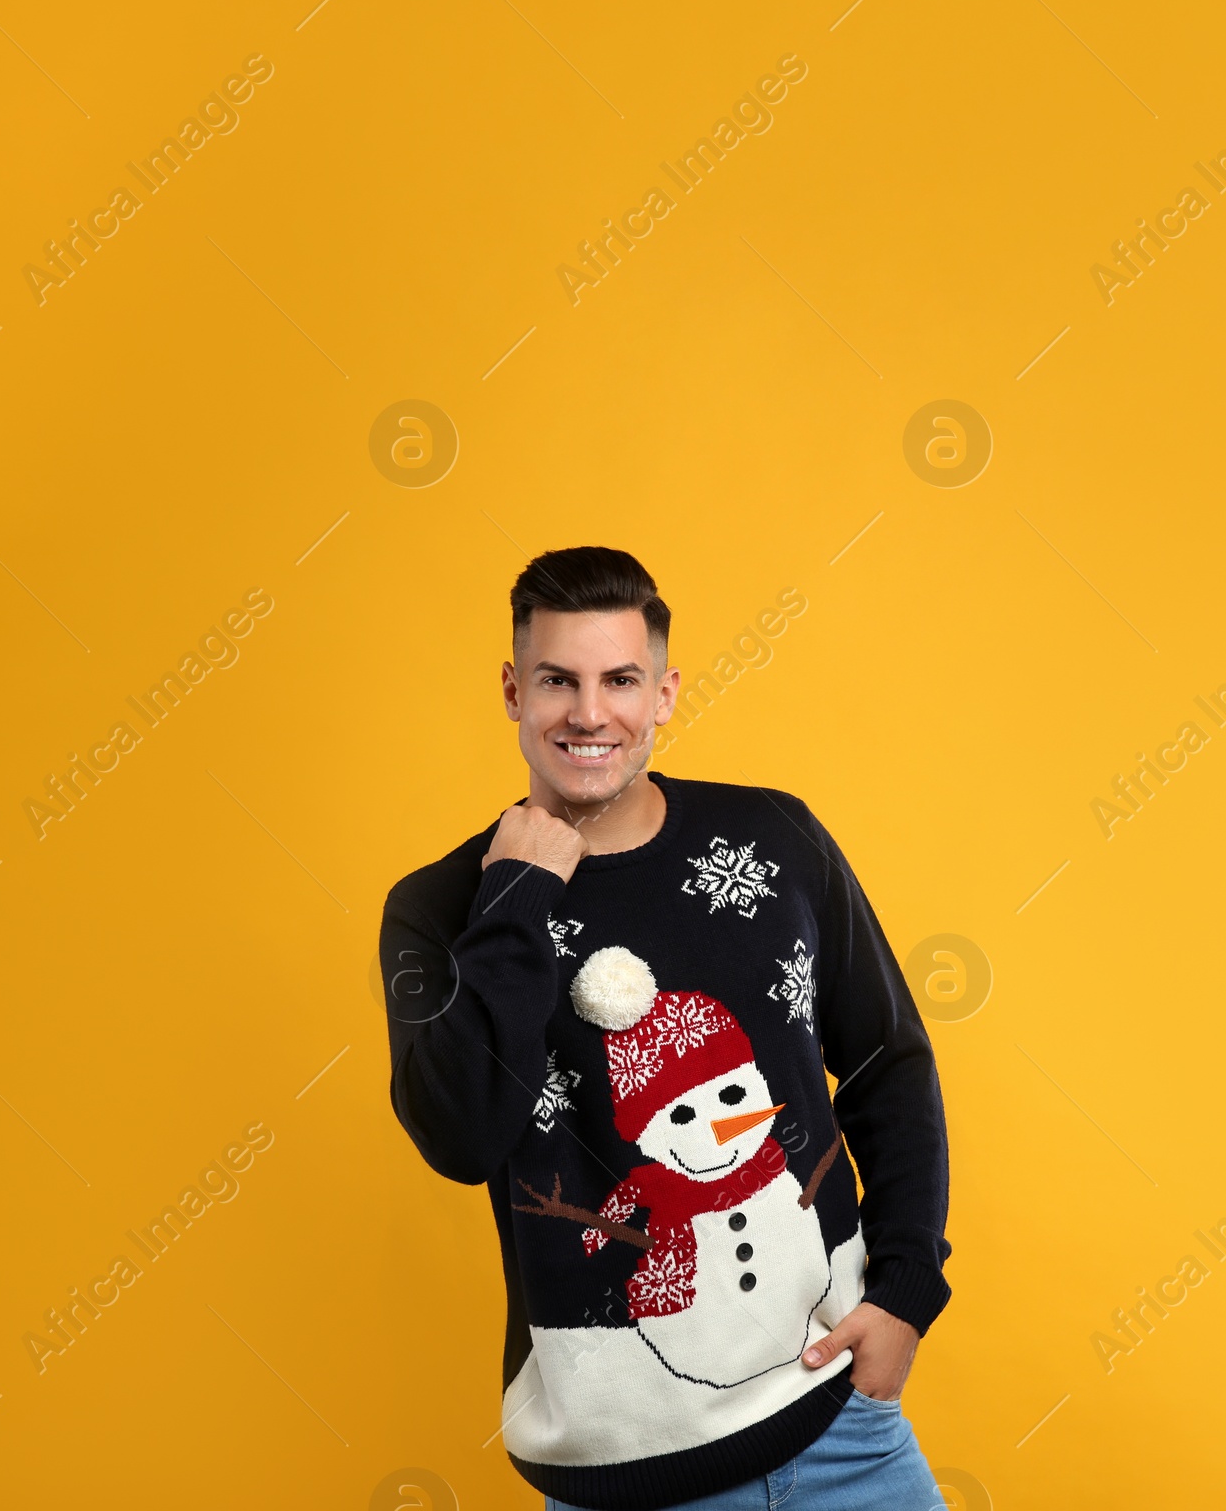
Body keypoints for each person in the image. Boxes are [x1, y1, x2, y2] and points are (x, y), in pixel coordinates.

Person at [379, 547, 951, 1511]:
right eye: (558, 680)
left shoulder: (775, 840)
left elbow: (888, 1061)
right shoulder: (440, 908)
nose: (589, 713)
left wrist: (904, 1292)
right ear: (514, 690)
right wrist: (516, 897)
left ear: (666, 691)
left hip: (843, 1430)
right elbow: (461, 1136)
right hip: (622, 1479)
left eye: (621, 680)